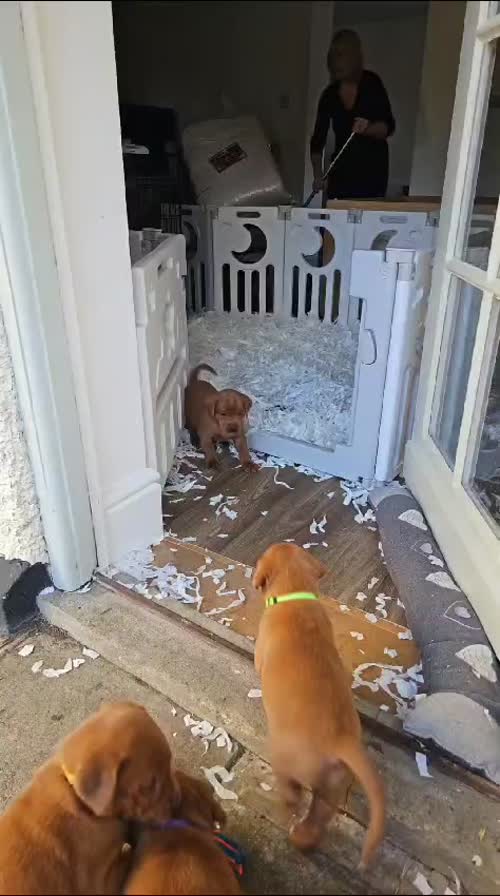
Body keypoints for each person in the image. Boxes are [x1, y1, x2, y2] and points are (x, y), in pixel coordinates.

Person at [310, 29, 395, 201]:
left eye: (341, 56)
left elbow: (388, 127)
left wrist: (368, 129)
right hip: (341, 171)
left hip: (373, 173)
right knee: (336, 223)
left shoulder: (372, 83)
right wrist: (318, 175)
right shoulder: (329, 95)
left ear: (354, 58)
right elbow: (317, 141)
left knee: (366, 223)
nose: (336, 62)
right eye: (333, 57)